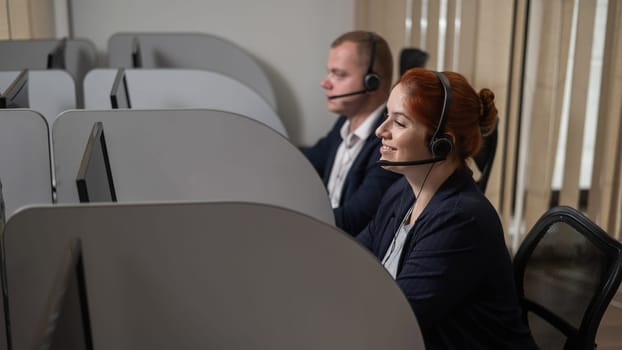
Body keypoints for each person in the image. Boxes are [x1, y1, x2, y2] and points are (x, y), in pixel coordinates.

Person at [356, 68, 537, 349]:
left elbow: (395, 321)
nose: (381, 130)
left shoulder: (461, 220)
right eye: (386, 116)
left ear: (441, 143)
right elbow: (355, 258)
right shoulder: (402, 191)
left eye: (400, 123)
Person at [302, 30, 400, 236]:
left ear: (371, 81)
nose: (325, 83)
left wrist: (291, 219)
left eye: (339, 74)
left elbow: (353, 220)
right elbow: (306, 161)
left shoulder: (389, 143)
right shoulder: (344, 125)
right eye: (329, 72)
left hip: (344, 250)